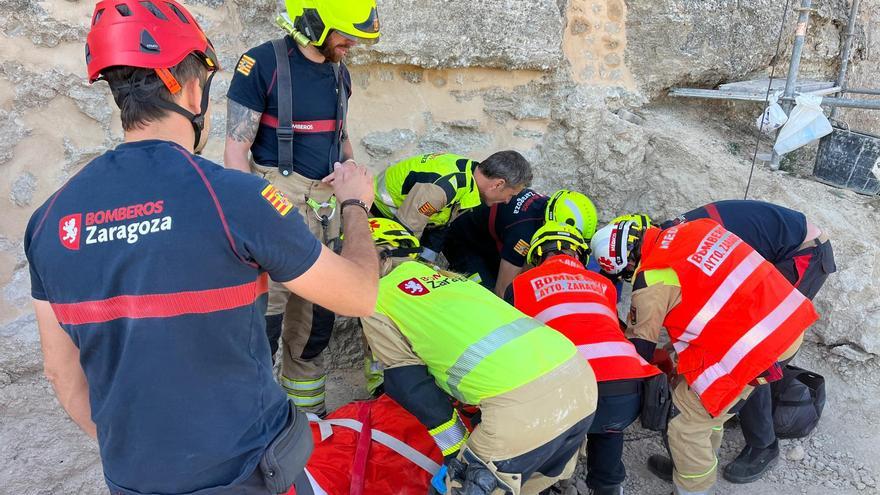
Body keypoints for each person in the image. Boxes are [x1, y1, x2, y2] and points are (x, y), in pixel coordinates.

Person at [25, 2, 378, 493]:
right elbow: (361, 294)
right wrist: (357, 205)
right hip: (251, 472)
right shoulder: (238, 199)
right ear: (191, 88)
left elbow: (60, 373)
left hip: (133, 478)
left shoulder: (47, 221)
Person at [360, 218, 597, 495]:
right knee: (530, 484)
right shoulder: (452, 279)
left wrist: (457, 451)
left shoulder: (375, 297)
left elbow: (408, 385)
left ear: (379, 254)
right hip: (581, 384)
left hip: (522, 413)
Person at [224, 0, 380, 414]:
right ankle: (257, 423)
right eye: (345, 33)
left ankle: (308, 423)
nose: (352, 43)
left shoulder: (339, 73)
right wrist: (245, 221)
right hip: (276, 203)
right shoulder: (260, 63)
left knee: (314, 327)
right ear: (313, 22)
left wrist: (351, 173)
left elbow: (341, 137)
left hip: (327, 208)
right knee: (262, 325)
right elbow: (236, 149)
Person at [590, 216, 819, 495]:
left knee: (684, 422)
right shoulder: (696, 228)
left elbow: (640, 352)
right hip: (786, 321)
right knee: (703, 401)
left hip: (753, 346)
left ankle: (694, 486)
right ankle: (692, 463)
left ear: (625, 262)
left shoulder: (650, 279)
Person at [661, 199, 836, 483]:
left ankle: (764, 445)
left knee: (754, 354)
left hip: (804, 254)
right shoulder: (677, 235)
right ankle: (710, 431)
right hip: (779, 251)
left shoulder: (693, 241)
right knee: (736, 348)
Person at [508, 222, 661, 495]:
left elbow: (512, 348)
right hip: (628, 390)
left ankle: (548, 481)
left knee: (546, 448)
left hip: (573, 392)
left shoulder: (520, 284)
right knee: (607, 430)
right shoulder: (604, 284)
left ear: (537, 255)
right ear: (580, 254)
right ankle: (609, 486)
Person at [372, 151, 532, 262]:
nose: (507, 201)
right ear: (498, 184)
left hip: (394, 219)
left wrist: (427, 262)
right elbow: (402, 238)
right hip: (375, 215)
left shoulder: (470, 177)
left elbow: (439, 223)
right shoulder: (444, 188)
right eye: (511, 195)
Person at [444, 189, 598, 296]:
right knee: (488, 296)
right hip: (463, 242)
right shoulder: (523, 232)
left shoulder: (550, 210)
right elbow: (502, 292)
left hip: (494, 239)